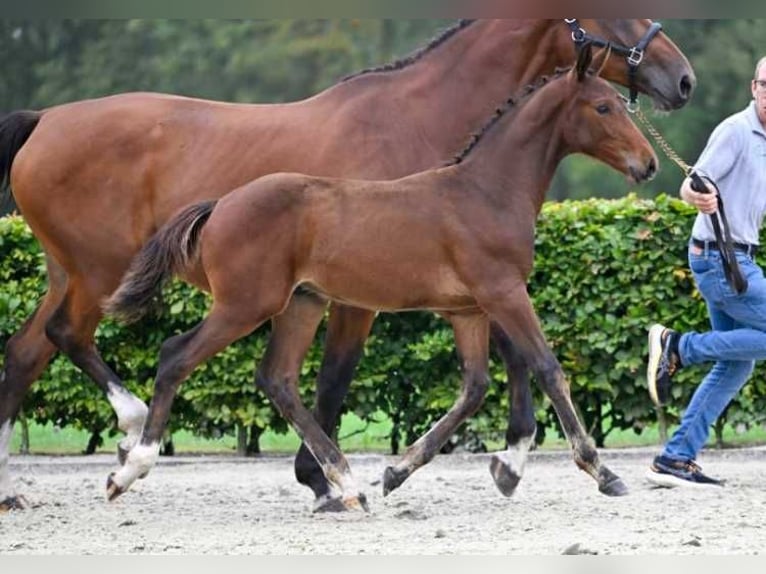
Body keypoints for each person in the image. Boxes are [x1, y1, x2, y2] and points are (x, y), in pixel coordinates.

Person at [645, 55, 766, 488]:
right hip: (717, 258)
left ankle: (675, 458)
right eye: (765, 85)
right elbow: (688, 184)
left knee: (736, 366)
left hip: (739, 258)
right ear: (754, 87)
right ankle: (679, 347)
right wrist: (700, 198)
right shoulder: (735, 131)